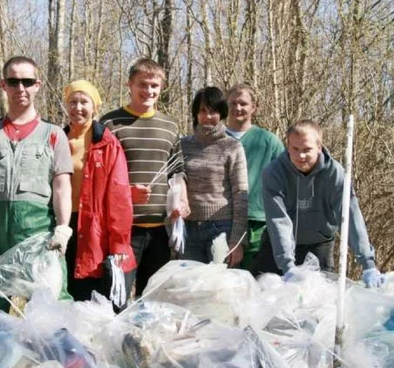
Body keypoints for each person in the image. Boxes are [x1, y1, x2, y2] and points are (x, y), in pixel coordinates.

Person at [0, 56, 74, 310]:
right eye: (13, 82)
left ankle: (58, 351)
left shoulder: (54, 134)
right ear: (3, 85)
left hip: (38, 232)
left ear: (37, 85)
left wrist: (63, 228)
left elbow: (62, 187)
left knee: (53, 302)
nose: (20, 89)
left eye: (27, 82)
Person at [254, 119, 386, 287]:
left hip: (319, 244)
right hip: (278, 247)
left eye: (307, 150)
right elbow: (278, 219)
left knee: (320, 303)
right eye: (295, 149)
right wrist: (287, 266)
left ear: (319, 146)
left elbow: (350, 216)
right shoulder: (274, 172)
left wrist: (368, 264)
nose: (301, 156)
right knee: (268, 297)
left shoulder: (335, 173)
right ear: (288, 146)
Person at [101, 58, 189, 297]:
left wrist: (182, 202)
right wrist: (127, 192)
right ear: (129, 85)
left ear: (161, 88)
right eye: (142, 84)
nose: (148, 91)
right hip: (122, 231)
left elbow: (177, 171)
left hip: (160, 229)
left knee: (152, 299)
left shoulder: (169, 126)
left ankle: (144, 336)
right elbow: (101, 177)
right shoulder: (110, 123)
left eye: (154, 86)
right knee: (116, 298)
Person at [62, 79, 136, 302]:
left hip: (94, 230)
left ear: (95, 107)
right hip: (62, 227)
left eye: (84, 102)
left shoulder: (107, 143)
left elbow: (119, 196)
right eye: (72, 102)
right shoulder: (56, 139)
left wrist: (119, 242)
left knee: (91, 297)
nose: (78, 108)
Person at [180, 87, 248, 265]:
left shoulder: (232, 147)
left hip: (222, 228)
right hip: (188, 229)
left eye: (213, 111)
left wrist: (237, 240)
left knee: (219, 288)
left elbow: (241, 193)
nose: (208, 117)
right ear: (196, 113)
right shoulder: (183, 145)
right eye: (203, 111)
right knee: (191, 288)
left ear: (222, 113)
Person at [225, 84, 284, 270]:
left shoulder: (268, 141)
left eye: (243, 103)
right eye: (233, 103)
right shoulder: (217, 139)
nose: (238, 108)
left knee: (257, 283)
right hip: (221, 221)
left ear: (254, 107)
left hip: (258, 223)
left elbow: (286, 182)